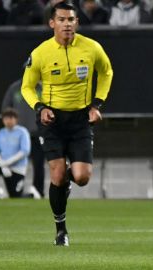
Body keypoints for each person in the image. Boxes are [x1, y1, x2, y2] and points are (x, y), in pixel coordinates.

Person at [21, 1, 113, 246]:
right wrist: (39, 108)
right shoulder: (40, 53)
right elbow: (27, 87)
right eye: (61, 19)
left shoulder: (91, 48)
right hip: (52, 120)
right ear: (52, 23)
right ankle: (61, 230)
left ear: (77, 22)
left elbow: (106, 72)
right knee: (58, 174)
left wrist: (97, 104)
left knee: (82, 177)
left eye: (71, 19)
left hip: (81, 119)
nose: (67, 24)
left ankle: (65, 186)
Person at [2, 79, 45, 199]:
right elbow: (6, 108)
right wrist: (11, 128)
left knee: (38, 163)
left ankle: (38, 191)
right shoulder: (14, 88)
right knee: (14, 162)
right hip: (18, 135)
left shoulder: (43, 88)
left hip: (37, 133)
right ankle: (14, 191)